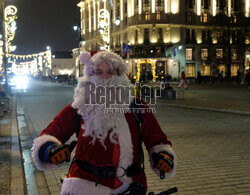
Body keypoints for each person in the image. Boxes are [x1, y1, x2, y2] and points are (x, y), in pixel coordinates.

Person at [31, 51, 176, 195]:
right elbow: (51, 133)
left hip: (130, 187)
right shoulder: (79, 107)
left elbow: (157, 140)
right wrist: (49, 150)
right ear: (90, 76)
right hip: (85, 187)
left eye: (110, 72)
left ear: (120, 76)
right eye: (98, 72)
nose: (105, 78)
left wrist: (163, 156)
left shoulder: (137, 107)